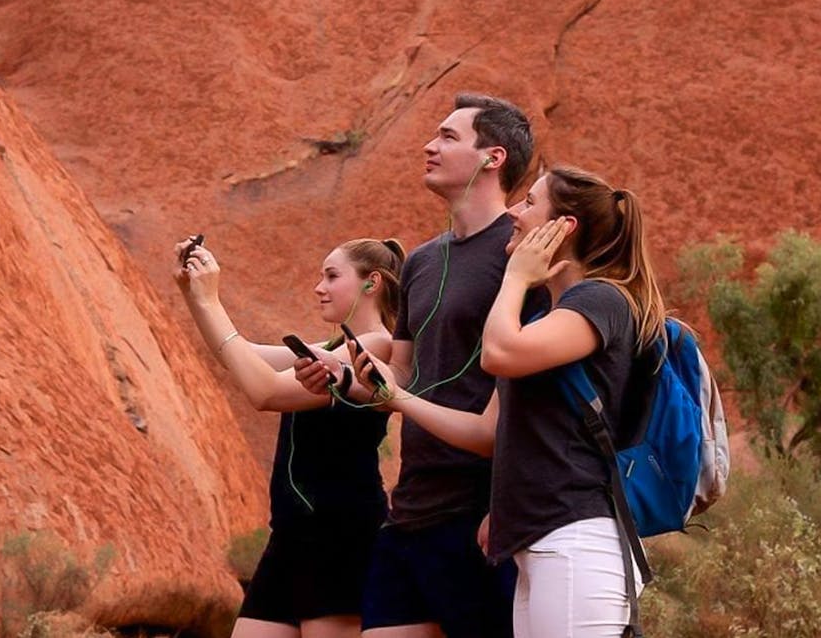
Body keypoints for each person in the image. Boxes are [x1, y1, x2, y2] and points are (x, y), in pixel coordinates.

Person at [352, 166, 662, 638]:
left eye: (530, 204)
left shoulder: (602, 300)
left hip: (577, 538)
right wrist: (396, 397)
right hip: (536, 539)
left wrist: (515, 277)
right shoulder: (550, 318)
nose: (515, 213)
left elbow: (498, 354)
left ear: (563, 228)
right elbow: (498, 431)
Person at [303, 93, 537, 638]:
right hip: (409, 510)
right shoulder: (424, 260)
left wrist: (503, 509)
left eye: (448, 137)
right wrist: (343, 381)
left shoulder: (520, 257)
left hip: (477, 514)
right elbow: (403, 380)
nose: (429, 146)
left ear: (492, 158)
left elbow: (526, 403)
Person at [176, 236, 404, 638]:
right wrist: (194, 293)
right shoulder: (333, 347)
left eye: (332, 276)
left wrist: (212, 301)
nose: (319, 287)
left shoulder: (378, 348)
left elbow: (266, 392)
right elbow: (237, 356)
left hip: (340, 535)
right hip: (292, 533)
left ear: (372, 283)